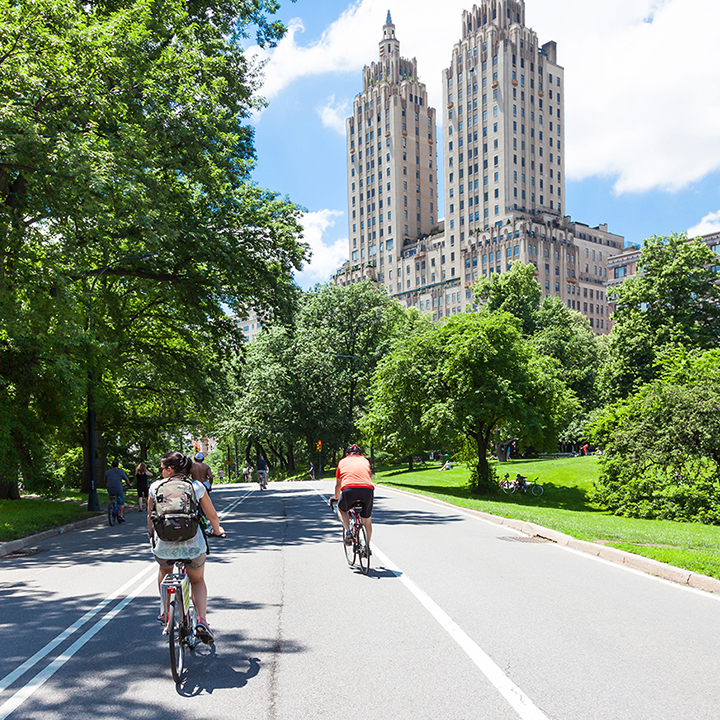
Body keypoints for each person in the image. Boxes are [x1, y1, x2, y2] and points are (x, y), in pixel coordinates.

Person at [148, 451, 224, 644]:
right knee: (197, 580)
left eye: (162, 468)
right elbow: (212, 516)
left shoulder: (155, 486)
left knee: (165, 571)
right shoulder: (196, 486)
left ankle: (166, 614)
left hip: (165, 545)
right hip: (192, 545)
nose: (161, 471)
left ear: (169, 469)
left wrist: (151, 536)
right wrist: (217, 530)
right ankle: (202, 621)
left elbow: (150, 517)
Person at [333, 444, 374, 551]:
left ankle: (348, 532)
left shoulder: (342, 462)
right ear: (360, 454)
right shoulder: (365, 461)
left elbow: (338, 484)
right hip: (367, 489)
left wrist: (336, 497)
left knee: (341, 509)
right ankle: (367, 547)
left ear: (347, 454)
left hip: (348, 489)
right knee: (367, 521)